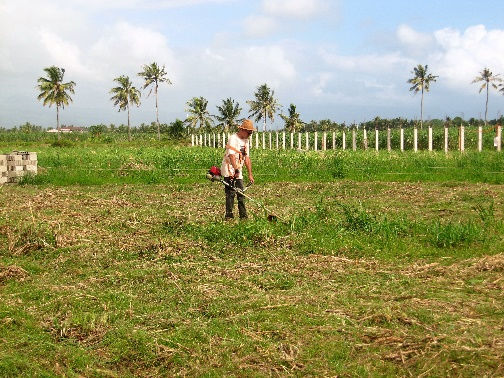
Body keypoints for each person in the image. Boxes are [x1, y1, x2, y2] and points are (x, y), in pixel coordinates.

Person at [221, 119, 256, 219]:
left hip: (238, 169)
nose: (250, 134)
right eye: (249, 132)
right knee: (230, 193)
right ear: (243, 130)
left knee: (241, 193)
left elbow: (247, 158)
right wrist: (235, 170)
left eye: (251, 133)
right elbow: (231, 156)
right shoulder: (233, 138)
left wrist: (250, 174)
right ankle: (229, 216)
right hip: (229, 169)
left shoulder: (246, 141)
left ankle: (243, 217)